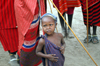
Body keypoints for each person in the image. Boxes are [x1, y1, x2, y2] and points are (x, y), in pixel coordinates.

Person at [14, 0, 46, 66]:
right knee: (25, 37)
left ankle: (32, 61)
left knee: (34, 36)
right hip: (23, 7)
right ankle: (24, 62)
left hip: (34, 6)